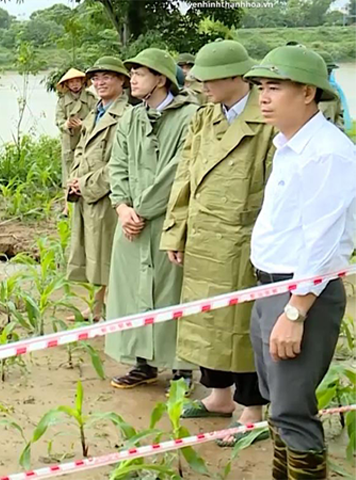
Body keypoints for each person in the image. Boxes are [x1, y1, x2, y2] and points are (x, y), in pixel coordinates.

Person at [244, 45, 356, 479]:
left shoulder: (327, 152)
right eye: (260, 87)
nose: (264, 97)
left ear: (308, 93)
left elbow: (324, 244)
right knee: (278, 402)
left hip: (300, 293)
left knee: (292, 410)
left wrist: (295, 311)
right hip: (270, 286)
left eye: (275, 87)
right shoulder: (290, 144)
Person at [161, 40, 274, 446]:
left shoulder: (266, 121)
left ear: (235, 78)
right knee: (205, 321)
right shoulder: (204, 118)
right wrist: (175, 231)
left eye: (207, 78)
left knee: (242, 328)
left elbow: (275, 193)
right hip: (203, 236)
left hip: (244, 240)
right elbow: (184, 177)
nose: (197, 83)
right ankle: (218, 395)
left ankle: (252, 409)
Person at [104, 48, 199, 392]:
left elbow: (178, 171)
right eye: (131, 73)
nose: (132, 79)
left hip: (166, 220)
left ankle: (181, 368)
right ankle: (141, 363)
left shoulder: (190, 117)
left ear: (161, 78)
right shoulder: (131, 117)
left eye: (140, 73)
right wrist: (122, 207)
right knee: (131, 293)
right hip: (130, 222)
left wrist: (141, 210)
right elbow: (118, 164)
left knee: (172, 292)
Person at [66, 57, 132, 323]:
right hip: (86, 194)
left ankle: (110, 309)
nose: (100, 83)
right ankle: (95, 307)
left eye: (107, 77)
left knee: (108, 254)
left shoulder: (126, 115)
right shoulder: (96, 112)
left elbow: (120, 163)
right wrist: (73, 179)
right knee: (91, 252)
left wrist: (85, 184)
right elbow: (80, 149)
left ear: (121, 80)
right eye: (96, 78)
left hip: (109, 196)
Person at [56, 68, 96, 216]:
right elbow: (58, 119)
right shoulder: (62, 101)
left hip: (86, 139)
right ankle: (67, 207)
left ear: (82, 82)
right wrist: (66, 124)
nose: (74, 85)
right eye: (71, 82)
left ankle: (86, 201)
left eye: (77, 81)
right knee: (68, 172)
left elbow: (97, 117)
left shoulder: (91, 99)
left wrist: (83, 124)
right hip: (69, 141)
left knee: (86, 169)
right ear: (67, 85)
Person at [317, 51, 347, 131]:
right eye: (326, 70)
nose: (328, 73)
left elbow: (339, 117)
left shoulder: (334, 94)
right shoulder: (301, 94)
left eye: (330, 70)